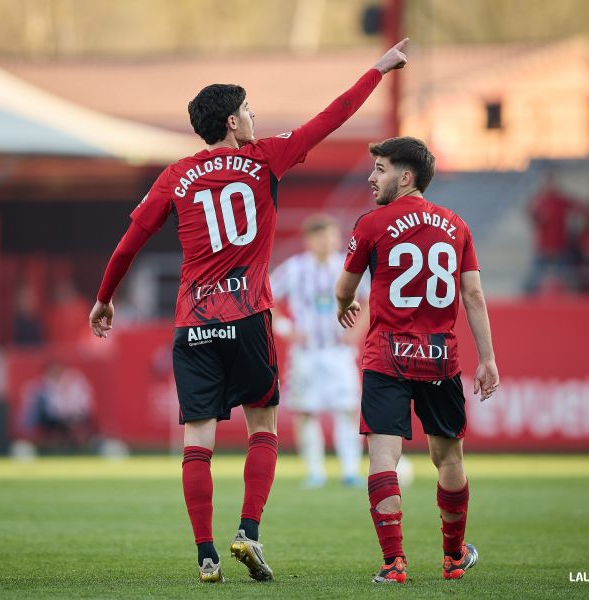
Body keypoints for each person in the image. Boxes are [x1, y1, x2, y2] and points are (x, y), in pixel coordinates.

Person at [89, 40, 410, 583]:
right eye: (251, 111)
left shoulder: (175, 175)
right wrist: (378, 69)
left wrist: (104, 298)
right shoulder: (265, 158)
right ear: (234, 120)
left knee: (197, 440)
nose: (256, 118)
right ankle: (250, 531)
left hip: (193, 322)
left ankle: (205, 555)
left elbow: (128, 243)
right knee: (263, 425)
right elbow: (333, 116)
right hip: (248, 317)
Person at [335, 137, 499, 584]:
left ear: (405, 177)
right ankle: (452, 557)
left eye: (380, 168)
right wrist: (487, 358)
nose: (371, 177)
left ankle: (394, 564)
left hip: (387, 355)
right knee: (448, 458)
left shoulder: (372, 224)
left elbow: (344, 288)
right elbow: (474, 294)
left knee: (384, 456)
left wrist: (342, 304)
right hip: (440, 358)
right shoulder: (456, 225)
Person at [270, 214, 366, 488]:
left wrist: (356, 333)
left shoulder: (348, 267)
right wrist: (286, 328)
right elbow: (267, 298)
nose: (328, 242)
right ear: (310, 240)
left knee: (347, 408)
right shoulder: (295, 268)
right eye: (322, 237)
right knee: (306, 410)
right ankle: (315, 471)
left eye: (332, 236)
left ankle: (350, 470)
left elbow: (371, 299)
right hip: (306, 352)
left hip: (338, 351)